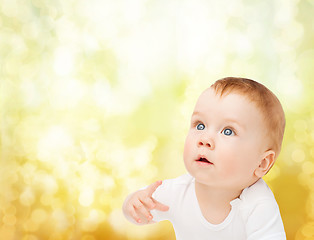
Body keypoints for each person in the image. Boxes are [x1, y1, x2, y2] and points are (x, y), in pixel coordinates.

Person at [122, 77, 286, 239]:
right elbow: (139, 213)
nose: (204, 139)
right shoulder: (179, 191)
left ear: (262, 163)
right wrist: (133, 205)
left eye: (228, 131)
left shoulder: (258, 205)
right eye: (200, 125)